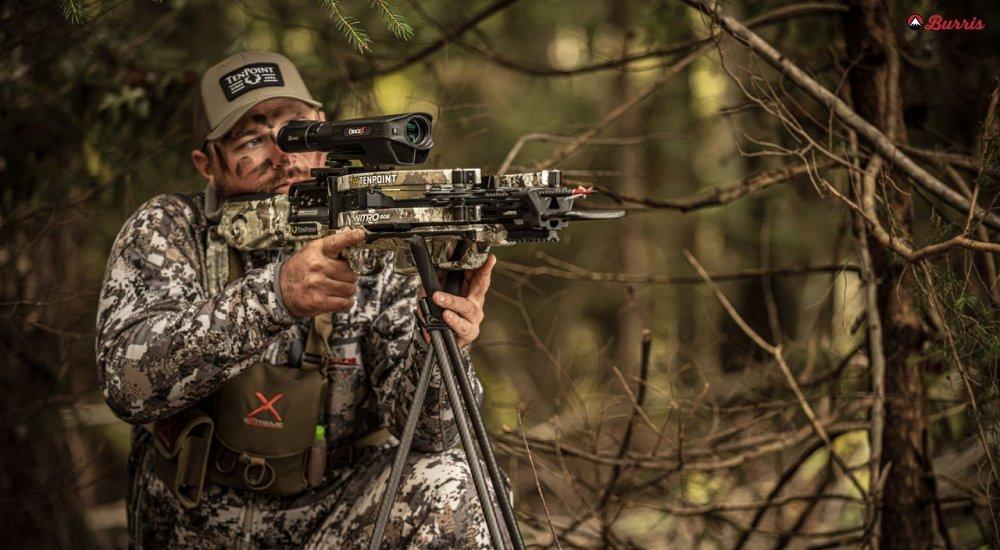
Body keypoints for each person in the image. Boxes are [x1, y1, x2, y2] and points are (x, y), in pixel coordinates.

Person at [96, 51, 498, 548]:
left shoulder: (372, 237)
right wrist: (273, 298)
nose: (285, 156)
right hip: (190, 527)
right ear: (207, 163)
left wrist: (444, 338)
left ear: (324, 130)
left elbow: (433, 435)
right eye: (252, 140)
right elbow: (127, 383)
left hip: (332, 525)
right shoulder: (170, 230)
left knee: (453, 479)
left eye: (298, 132)